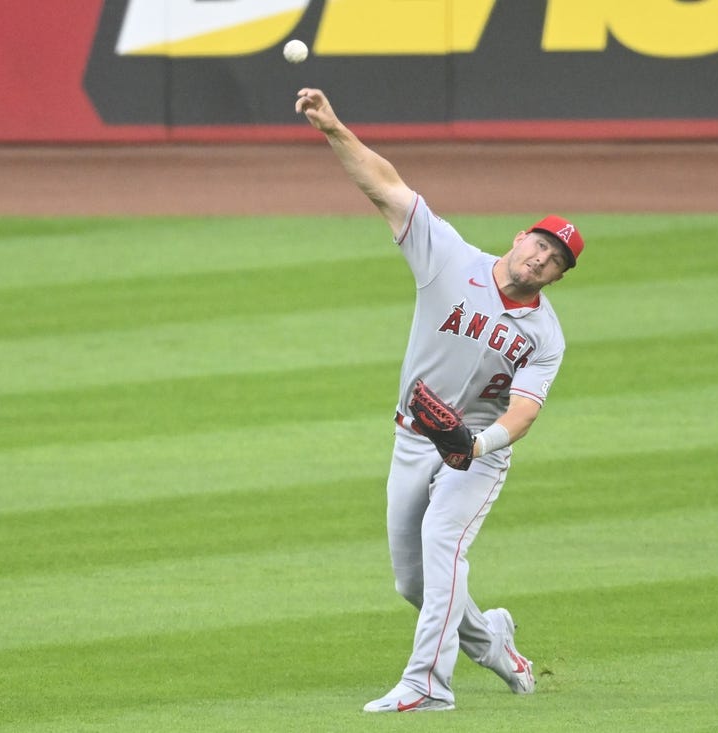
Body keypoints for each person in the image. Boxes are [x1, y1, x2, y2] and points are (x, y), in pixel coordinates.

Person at [294, 88, 584, 713]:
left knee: (442, 544)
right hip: (411, 437)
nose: (540, 258)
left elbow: (525, 412)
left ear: (559, 277)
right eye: (540, 243)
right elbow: (387, 187)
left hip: (475, 454)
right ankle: (497, 646)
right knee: (414, 581)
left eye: (554, 259)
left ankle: (429, 685)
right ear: (520, 236)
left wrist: (478, 444)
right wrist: (333, 127)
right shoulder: (450, 258)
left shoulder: (546, 335)